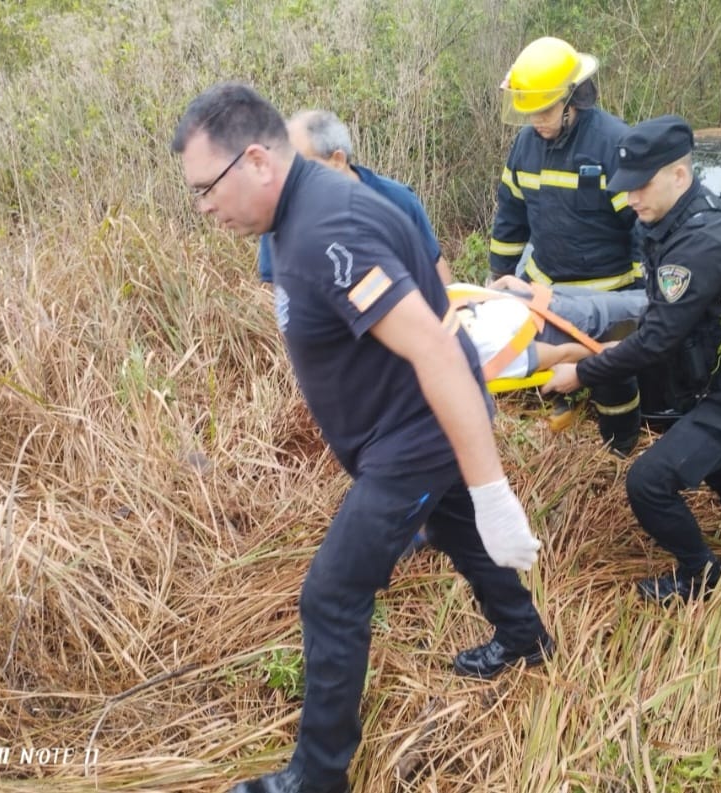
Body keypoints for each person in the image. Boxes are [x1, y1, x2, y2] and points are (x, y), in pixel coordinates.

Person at [172, 82, 551, 793]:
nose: (204, 207)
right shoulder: (296, 212)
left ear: (256, 159)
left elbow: (438, 351)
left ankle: (316, 777)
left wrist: (493, 487)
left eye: (205, 189)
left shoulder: (328, 228)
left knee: (332, 595)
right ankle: (527, 639)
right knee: (463, 536)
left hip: (414, 440)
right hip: (395, 430)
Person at [542, 116, 721, 605]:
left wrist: (582, 373)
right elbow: (660, 322)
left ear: (679, 174)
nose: (631, 198)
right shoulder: (671, 221)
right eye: (626, 187)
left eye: (642, 186)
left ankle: (700, 575)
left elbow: (655, 341)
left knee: (649, 482)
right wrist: (584, 349)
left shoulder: (701, 242)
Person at [491, 36, 645, 454]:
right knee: (547, 373)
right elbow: (511, 219)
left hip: (607, 295)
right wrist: (499, 278)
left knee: (611, 377)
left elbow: (642, 224)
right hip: (546, 291)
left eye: (543, 110)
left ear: (571, 98)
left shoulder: (612, 144)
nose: (536, 121)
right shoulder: (525, 146)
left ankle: (619, 449)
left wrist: (649, 297)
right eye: (530, 112)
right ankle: (565, 452)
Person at [257, 109, 452, 286]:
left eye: (301, 167)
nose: (292, 179)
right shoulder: (280, 217)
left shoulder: (396, 201)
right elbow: (284, 299)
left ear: (337, 161)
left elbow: (435, 269)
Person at [453, 274, 648, 382]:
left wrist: (503, 282)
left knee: (631, 300)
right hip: (565, 326)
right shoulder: (476, 351)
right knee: (646, 308)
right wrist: (608, 350)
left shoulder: (435, 312)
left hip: (545, 299)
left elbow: (466, 298)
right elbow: (559, 354)